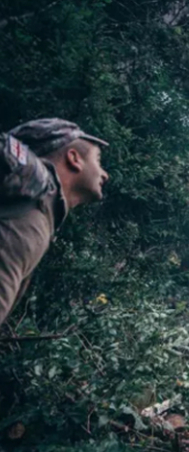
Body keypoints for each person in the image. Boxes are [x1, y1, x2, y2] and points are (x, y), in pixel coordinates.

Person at [0, 118, 110, 325]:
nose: (105, 173)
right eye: (98, 161)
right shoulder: (34, 177)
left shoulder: (44, 206)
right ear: (74, 158)